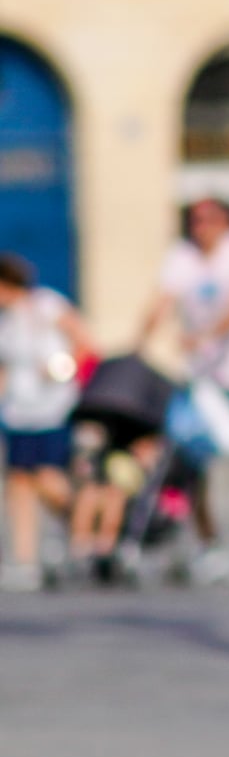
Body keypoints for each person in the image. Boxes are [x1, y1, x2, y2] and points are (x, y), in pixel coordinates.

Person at [137, 198, 229, 588]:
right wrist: (137, 347)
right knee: (190, 459)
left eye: (209, 220)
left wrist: (206, 336)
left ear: (227, 221)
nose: (202, 227)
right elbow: (162, 302)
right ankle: (210, 544)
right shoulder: (182, 257)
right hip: (202, 378)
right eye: (195, 220)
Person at [0, 254, 91, 593]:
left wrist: (61, 368)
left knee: (47, 478)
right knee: (18, 482)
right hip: (18, 411)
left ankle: (81, 519)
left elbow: (85, 343)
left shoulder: (47, 305)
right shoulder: (5, 322)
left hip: (53, 407)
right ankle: (25, 561)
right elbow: (5, 367)